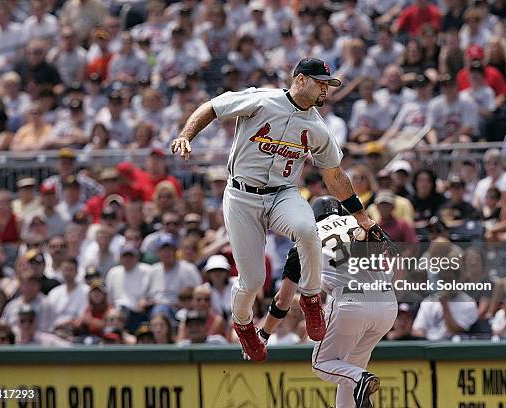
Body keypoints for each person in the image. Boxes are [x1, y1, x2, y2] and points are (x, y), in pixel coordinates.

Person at [170, 57, 381, 362]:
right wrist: (186, 135)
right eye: (320, 83)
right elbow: (213, 107)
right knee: (252, 281)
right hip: (242, 195)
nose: (325, 90)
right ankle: (243, 326)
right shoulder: (262, 99)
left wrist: (360, 215)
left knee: (308, 229)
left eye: (328, 84)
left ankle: (310, 297)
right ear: (300, 80)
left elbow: (334, 175)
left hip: (282, 193)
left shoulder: (317, 127)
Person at [257, 196, 398, 408]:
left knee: (322, 363)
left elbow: (282, 301)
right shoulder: (363, 223)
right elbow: (395, 257)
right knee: (350, 368)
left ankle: (361, 379)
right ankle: (358, 382)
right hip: (387, 303)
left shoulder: (308, 236)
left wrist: (265, 333)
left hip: (350, 302)